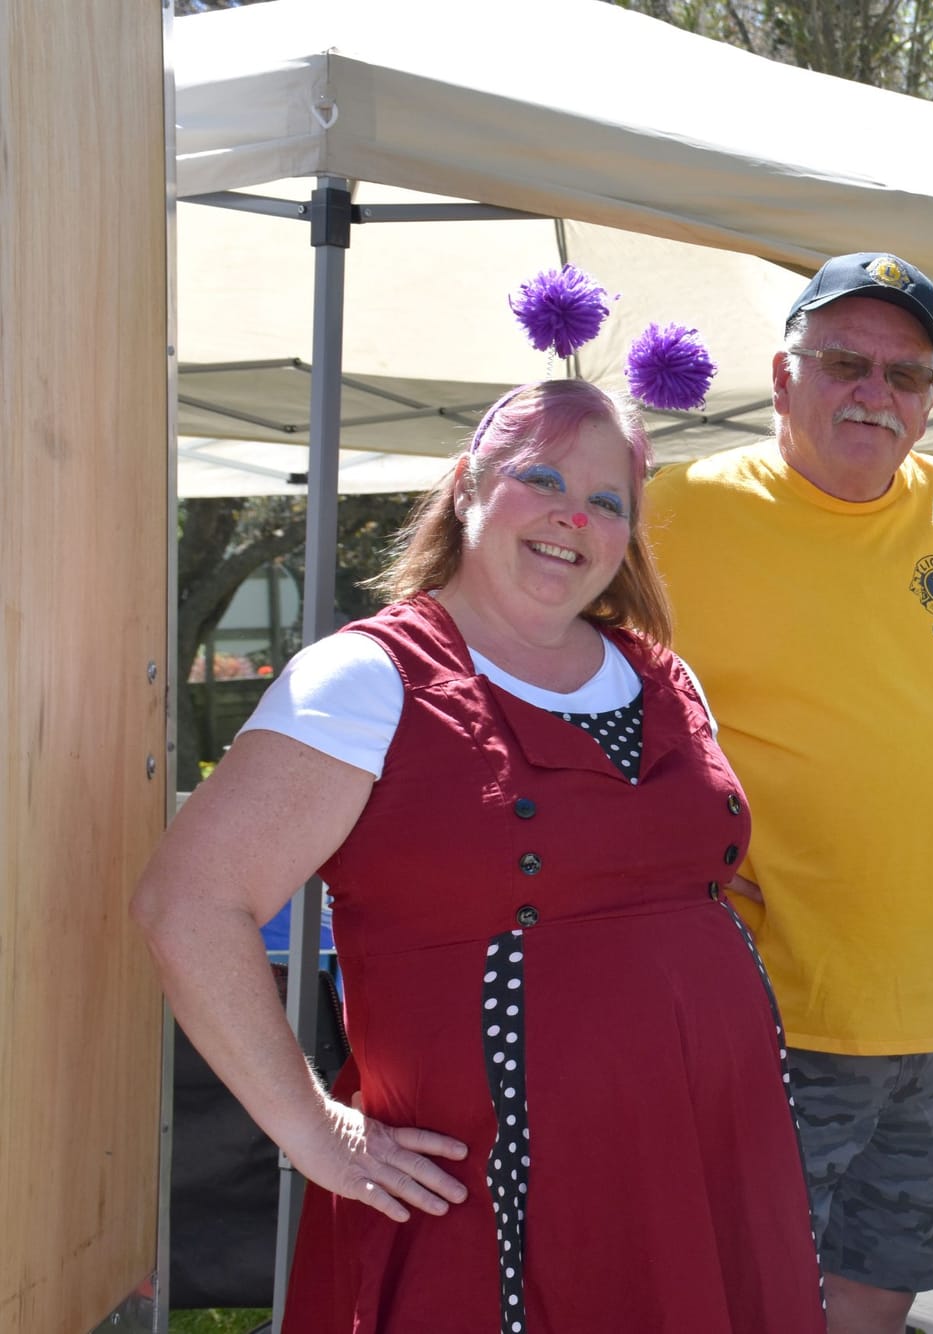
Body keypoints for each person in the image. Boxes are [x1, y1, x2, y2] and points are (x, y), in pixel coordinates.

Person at [131, 380, 826, 1333]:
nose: (572, 517)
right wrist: (312, 1131)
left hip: (706, 1158)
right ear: (465, 489)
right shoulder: (367, 678)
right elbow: (188, 904)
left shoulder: (666, 674)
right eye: (540, 478)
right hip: (493, 1194)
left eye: (607, 500)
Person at [644, 253, 933, 1334]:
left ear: (928, 401)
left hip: (932, 1006)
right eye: (844, 362)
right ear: (783, 378)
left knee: (882, 1279)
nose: (874, 392)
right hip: (764, 1002)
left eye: (905, 374)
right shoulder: (677, 510)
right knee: (746, 1288)